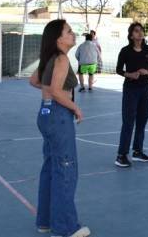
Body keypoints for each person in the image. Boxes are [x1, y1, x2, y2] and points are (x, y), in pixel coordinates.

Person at [29, 19, 90, 237]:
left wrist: (50, 91)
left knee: (51, 169)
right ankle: (64, 228)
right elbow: (55, 91)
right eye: (69, 31)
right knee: (65, 170)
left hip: (45, 114)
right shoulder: (62, 59)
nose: (73, 34)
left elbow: (34, 81)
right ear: (58, 39)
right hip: (58, 116)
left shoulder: (50, 58)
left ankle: (45, 221)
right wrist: (75, 107)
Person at [114, 22, 148, 168]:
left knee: (142, 121)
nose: (140, 33)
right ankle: (121, 155)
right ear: (131, 35)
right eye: (136, 31)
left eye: (141, 31)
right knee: (128, 122)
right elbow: (119, 70)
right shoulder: (125, 51)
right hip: (130, 90)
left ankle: (137, 152)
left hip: (146, 88)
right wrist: (130, 74)